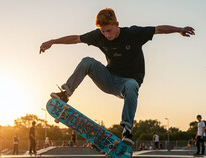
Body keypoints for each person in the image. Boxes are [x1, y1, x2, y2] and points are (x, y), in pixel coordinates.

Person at [40, 8, 195, 146]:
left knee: (132, 85)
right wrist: (53, 41)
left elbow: (158, 29)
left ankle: (127, 130)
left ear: (117, 24)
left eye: (109, 30)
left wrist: (179, 29)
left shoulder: (133, 33)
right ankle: (65, 94)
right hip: (108, 79)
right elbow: (75, 39)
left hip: (127, 84)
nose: (107, 35)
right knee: (87, 61)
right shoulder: (98, 36)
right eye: (103, 32)